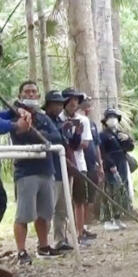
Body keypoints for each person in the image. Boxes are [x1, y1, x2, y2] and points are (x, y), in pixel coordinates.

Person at [0, 80, 64, 264]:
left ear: (38, 95)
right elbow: (22, 132)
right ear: (20, 96)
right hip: (26, 170)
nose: (30, 94)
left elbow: (55, 137)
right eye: (26, 91)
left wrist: (36, 131)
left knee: (45, 213)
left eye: (33, 91)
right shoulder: (13, 115)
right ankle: (21, 251)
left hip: (46, 169)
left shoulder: (44, 117)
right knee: (23, 214)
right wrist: (22, 125)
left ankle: (43, 247)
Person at [43, 90, 80, 252]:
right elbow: (48, 138)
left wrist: (76, 133)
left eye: (60, 103)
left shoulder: (60, 121)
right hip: (51, 170)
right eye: (56, 103)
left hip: (64, 169)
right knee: (48, 208)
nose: (59, 106)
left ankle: (60, 239)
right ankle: (43, 243)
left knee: (62, 209)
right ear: (49, 104)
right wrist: (61, 129)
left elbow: (70, 143)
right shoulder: (44, 120)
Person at [60, 88, 94, 244]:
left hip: (79, 164)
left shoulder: (84, 120)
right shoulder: (58, 119)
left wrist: (72, 139)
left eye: (76, 99)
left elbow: (85, 144)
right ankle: (64, 236)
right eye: (70, 99)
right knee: (62, 202)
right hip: (62, 164)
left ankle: (80, 233)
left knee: (79, 200)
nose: (73, 102)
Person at [99, 109, 134, 231]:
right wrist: (110, 165)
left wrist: (128, 139)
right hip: (110, 166)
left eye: (115, 117)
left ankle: (117, 217)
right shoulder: (103, 135)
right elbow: (102, 152)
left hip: (122, 164)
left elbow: (130, 148)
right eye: (110, 117)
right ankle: (107, 219)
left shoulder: (120, 134)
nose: (113, 120)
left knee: (120, 192)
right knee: (109, 192)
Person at [80, 96, 104, 235]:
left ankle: (84, 226)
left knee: (90, 197)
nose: (87, 108)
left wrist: (100, 164)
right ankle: (78, 227)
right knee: (80, 197)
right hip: (80, 164)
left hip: (92, 164)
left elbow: (97, 145)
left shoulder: (92, 124)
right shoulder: (77, 122)